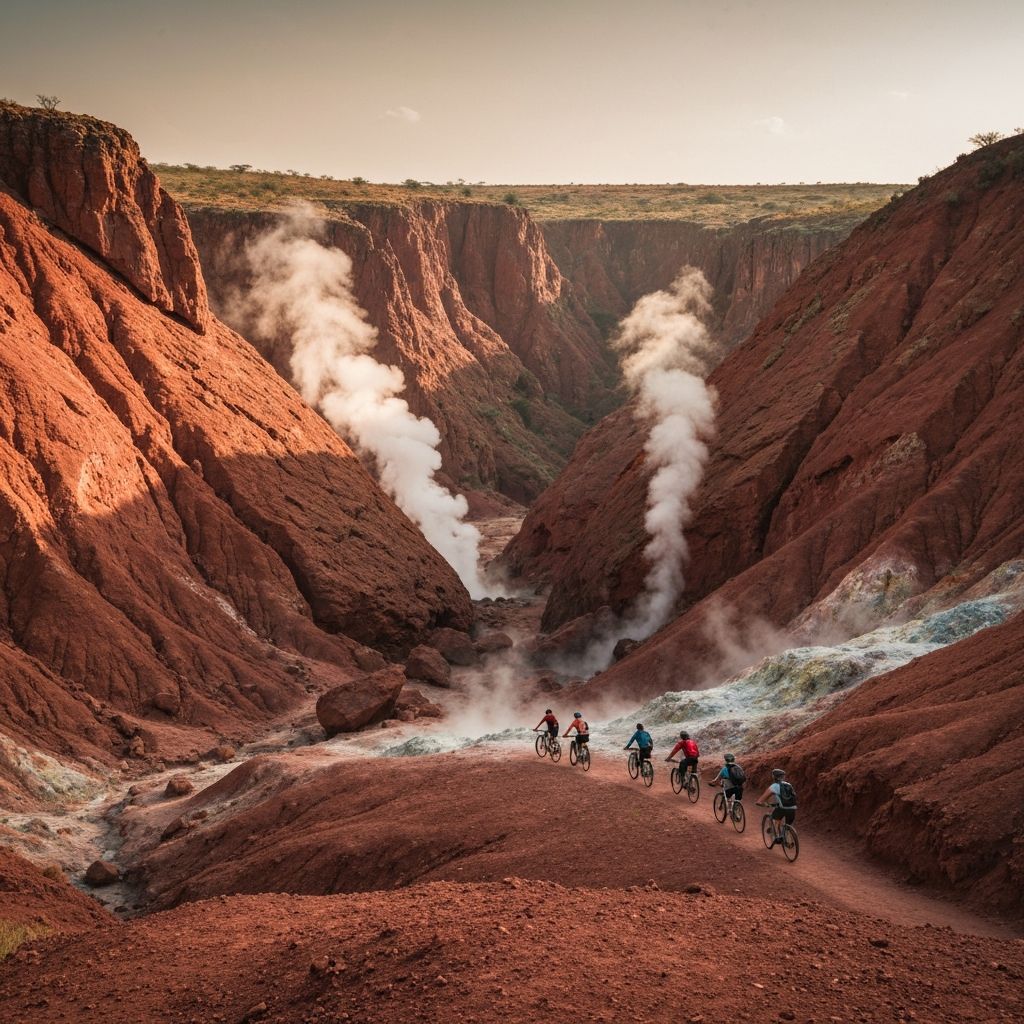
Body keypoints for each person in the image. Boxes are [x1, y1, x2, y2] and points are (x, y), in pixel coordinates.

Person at [756, 768, 797, 846]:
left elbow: (762, 799)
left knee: (776, 819)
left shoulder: (774, 786)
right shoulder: (789, 785)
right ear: (783, 777)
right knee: (788, 825)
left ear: (773, 777)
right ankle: (788, 838)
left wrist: (761, 803)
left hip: (781, 808)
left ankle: (777, 837)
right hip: (793, 808)